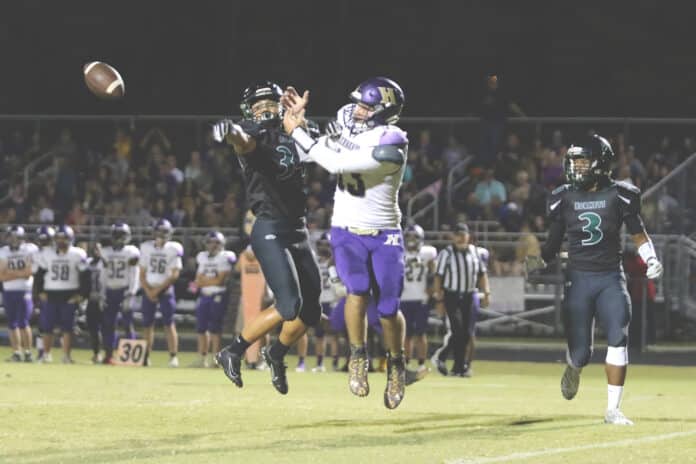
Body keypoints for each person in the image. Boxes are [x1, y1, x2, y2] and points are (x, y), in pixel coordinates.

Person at [283, 76, 412, 409]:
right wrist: (299, 124)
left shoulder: (393, 139)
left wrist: (299, 131)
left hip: (384, 232)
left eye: (367, 105)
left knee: (387, 308)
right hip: (346, 229)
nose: (358, 110)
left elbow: (337, 162)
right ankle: (358, 356)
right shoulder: (350, 128)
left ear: (384, 111)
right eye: (359, 103)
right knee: (355, 291)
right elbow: (308, 154)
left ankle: (396, 363)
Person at [525, 134, 664, 425]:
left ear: (601, 163)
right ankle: (573, 367)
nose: (576, 168)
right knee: (581, 353)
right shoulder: (564, 196)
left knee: (618, 335)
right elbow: (552, 243)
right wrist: (539, 261)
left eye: (583, 162)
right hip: (578, 278)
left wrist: (650, 257)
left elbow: (639, 233)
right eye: (573, 162)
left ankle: (613, 409)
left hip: (610, 276)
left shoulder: (620, 194)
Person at [213, 80, 322, 395]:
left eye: (270, 103)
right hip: (270, 227)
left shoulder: (295, 129)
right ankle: (232, 350)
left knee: (312, 310)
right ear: (249, 111)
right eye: (258, 105)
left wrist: (300, 122)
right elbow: (243, 141)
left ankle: (276, 353)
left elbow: (322, 150)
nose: (265, 109)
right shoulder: (254, 132)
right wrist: (230, 131)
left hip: (297, 228)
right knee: (289, 305)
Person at [431, 223, 490, 377]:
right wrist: (439, 299)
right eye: (457, 235)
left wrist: (487, 293)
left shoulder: (475, 252)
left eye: (463, 235)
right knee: (457, 331)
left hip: (470, 295)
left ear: (468, 236)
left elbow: (482, 274)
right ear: (453, 236)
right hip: (452, 295)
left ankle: (459, 367)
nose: (460, 238)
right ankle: (443, 358)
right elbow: (438, 277)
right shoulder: (446, 254)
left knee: (466, 333)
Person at [32, 225, 89, 363]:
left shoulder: (78, 254)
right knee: (47, 327)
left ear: (70, 239)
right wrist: (40, 292)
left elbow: (85, 276)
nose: (61, 241)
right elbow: (39, 275)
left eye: (64, 238)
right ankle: (46, 354)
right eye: (59, 238)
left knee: (67, 327)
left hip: (69, 293)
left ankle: (66, 356)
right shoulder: (47, 254)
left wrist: (82, 295)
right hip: (50, 293)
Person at [138, 219, 183, 367]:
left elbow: (175, 274)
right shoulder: (145, 247)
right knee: (147, 324)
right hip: (149, 289)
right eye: (159, 231)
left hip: (165, 290)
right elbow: (142, 272)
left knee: (169, 323)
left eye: (164, 231)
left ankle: (173, 356)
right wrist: (148, 290)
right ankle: (145, 357)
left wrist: (156, 290)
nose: (161, 235)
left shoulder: (174, 248)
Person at [192, 231, 236, 368]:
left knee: (215, 329)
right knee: (201, 328)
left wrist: (204, 281)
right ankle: (202, 358)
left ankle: (216, 359)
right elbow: (197, 279)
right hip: (204, 295)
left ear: (222, 244)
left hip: (218, 295)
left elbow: (220, 281)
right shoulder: (202, 257)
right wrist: (209, 281)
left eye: (216, 242)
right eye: (211, 242)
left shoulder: (225, 257)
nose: (213, 245)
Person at [99, 223, 140, 364]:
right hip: (110, 290)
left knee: (127, 323)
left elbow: (135, 273)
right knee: (108, 324)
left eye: (121, 235)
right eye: (117, 235)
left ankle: (130, 357)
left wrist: (131, 292)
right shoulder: (106, 252)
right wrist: (102, 293)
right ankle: (109, 355)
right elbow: (103, 274)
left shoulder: (131, 251)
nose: (119, 239)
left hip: (124, 290)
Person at [401, 224, 437, 372]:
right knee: (406, 333)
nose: (411, 240)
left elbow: (434, 270)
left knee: (420, 333)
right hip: (404, 297)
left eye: (414, 237)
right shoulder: (398, 252)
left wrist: (431, 286)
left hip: (422, 297)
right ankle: (406, 362)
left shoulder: (428, 252)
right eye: (408, 236)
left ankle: (421, 363)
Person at [0, 226, 38, 362]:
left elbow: (30, 273)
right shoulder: (3, 251)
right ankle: (17, 352)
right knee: (12, 323)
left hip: (24, 291)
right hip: (9, 291)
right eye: (11, 237)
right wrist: (21, 274)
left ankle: (28, 352)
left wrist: (10, 273)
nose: (13, 240)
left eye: (15, 237)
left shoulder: (30, 249)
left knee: (23, 322)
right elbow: (1, 276)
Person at [312, 232, 344, 372]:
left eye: (327, 244)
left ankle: (335, 364)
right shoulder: (314, 260)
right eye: (322, 244)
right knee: (319, 334)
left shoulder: (337, 261)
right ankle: (320, 364)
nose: (324, 247)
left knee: (333, 334)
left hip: (332, 301)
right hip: (320, 301)